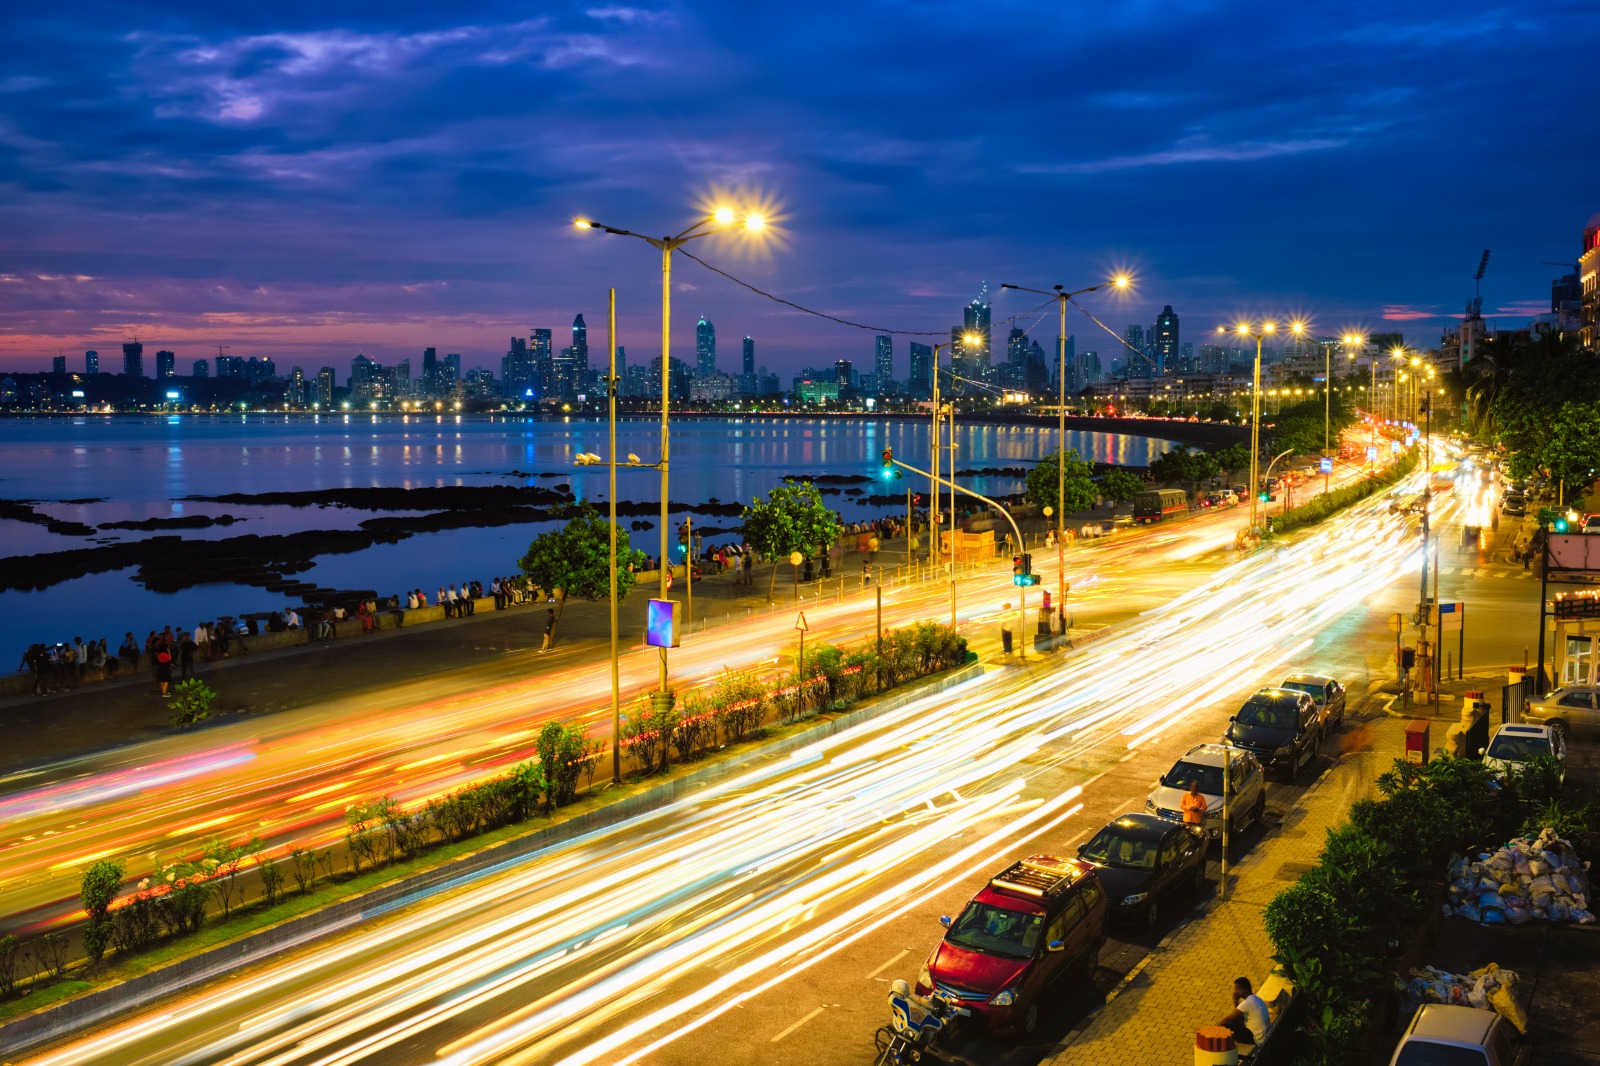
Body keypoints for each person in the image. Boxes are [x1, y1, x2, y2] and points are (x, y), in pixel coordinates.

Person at [1219, 977, 1270, 1047]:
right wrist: (1235, 1001)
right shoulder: (1255, 998)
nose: (1235, 992)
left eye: (1238, 989)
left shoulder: (1247, 1003)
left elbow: (1228, 1019)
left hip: (1256, 1038)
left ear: (1246, 989)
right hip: (1263, 1035)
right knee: (1236, 1020)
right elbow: (1238, 1015)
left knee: (1225, 1026)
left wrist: (1216, 1028)